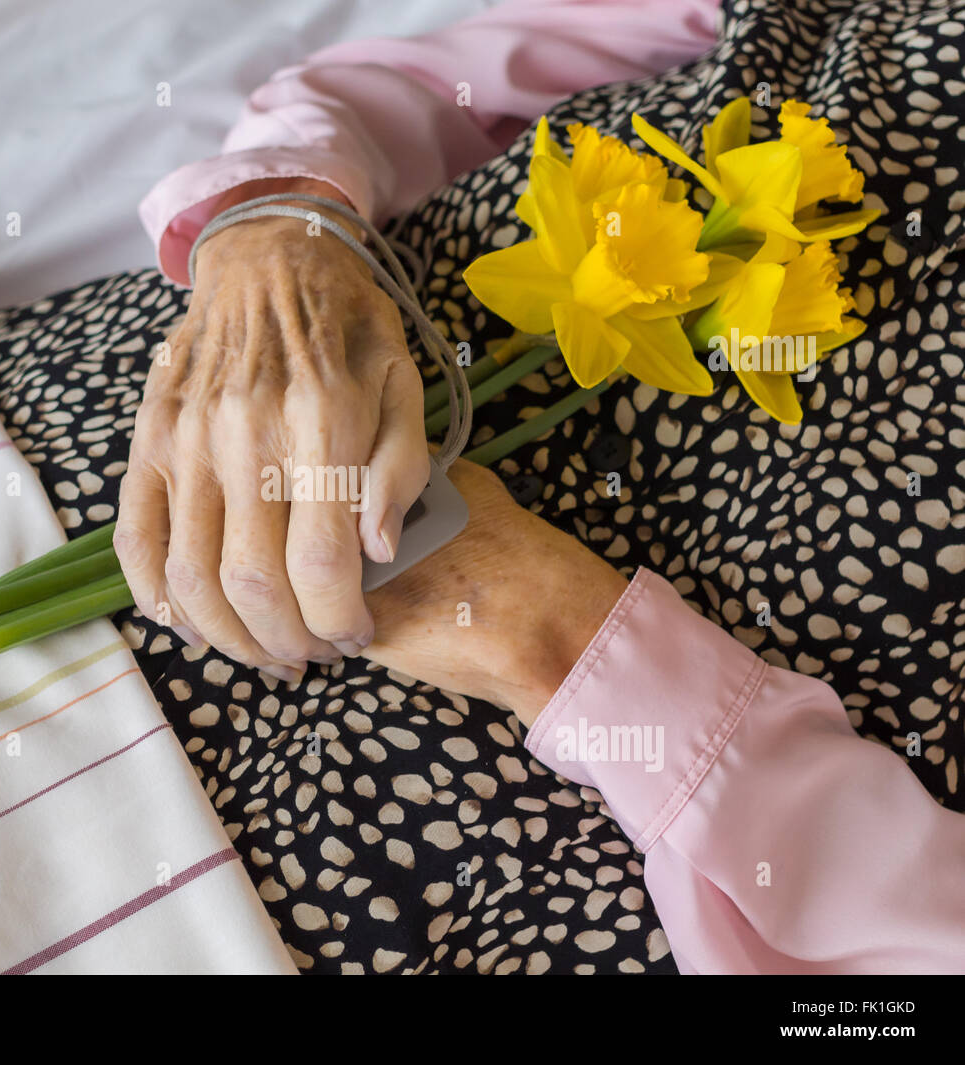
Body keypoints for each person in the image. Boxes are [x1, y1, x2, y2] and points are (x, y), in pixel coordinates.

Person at [114, 0, 965, 972]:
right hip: (54, 421)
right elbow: (408, 90)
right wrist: (276, 237)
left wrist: (555, 638)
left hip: (282, 855)